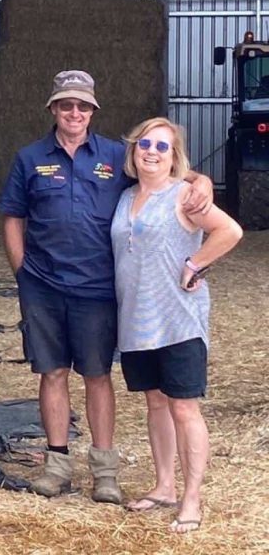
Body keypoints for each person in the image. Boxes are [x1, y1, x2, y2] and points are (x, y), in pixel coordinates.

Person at [0, 71, 213, 505]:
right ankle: (57, 465)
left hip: (97, 289)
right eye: (65, 105)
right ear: (53, 109)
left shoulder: (118, 156)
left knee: (97, 375)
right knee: (52, 372)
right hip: (42, 285)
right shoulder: (29, 158)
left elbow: (167, 171)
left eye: (82, 106)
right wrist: (22, 272)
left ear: (93, 111)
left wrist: (201, 182)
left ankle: (104, 471)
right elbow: (12, 217)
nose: (73, 113)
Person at [112, 117, 242, 533]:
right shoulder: (125, 196)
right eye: (144, 143)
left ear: (174, 157)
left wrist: (195, 263)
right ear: (134, 150)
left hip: (178, 320)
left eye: (162, 147)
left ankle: (191, 497)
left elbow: (230, 230)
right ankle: (164, 485)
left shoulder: (185, 195)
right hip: (137, 320)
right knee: (155, 404)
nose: (151, 151)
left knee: (184, 407)